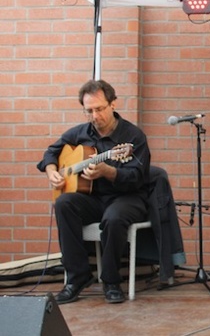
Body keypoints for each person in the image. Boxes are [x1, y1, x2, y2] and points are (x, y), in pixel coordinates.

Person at [37, 79, 151, 304]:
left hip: (127, 197)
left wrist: (107, 172)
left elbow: (137, 178)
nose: (95, 116)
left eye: (99, 109)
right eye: (89, 111)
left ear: (113, 104)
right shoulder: (80, 133)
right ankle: (78, 277)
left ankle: (111, 281)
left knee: (114, 217)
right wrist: (52, 170)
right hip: (94, 199)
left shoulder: (133, 137)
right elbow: (51, 152)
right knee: (64, 203)